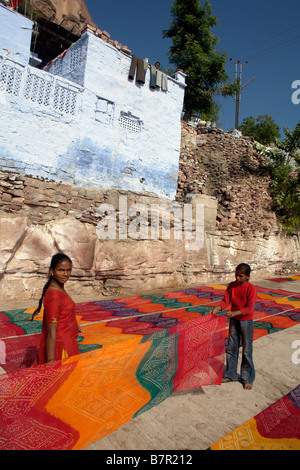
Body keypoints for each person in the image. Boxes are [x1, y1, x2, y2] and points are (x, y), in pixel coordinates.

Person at [210, 263, 257, 390]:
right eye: (236, 275)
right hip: (234, 321)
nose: (237, 278)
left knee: (247, 350)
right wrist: (218, 307)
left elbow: (249, 308)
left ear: (247, 276)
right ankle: (231, 374)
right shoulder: (231, 286)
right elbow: (226, 301)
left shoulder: (251, 288)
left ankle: (247, 378)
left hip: (246, 321)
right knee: (231, 347)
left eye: (241, 276)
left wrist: (235, 313)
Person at [31, 253, 83, 364]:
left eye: (69, 270)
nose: (66, 274)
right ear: (52, 271)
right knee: (64, 378)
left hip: (68, 341)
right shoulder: (54, 296)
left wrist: (74, 325)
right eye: (61, 270)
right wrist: (51, 362)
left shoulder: (59, 288)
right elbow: (51, 332)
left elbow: (63, 313)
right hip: (61, 348)